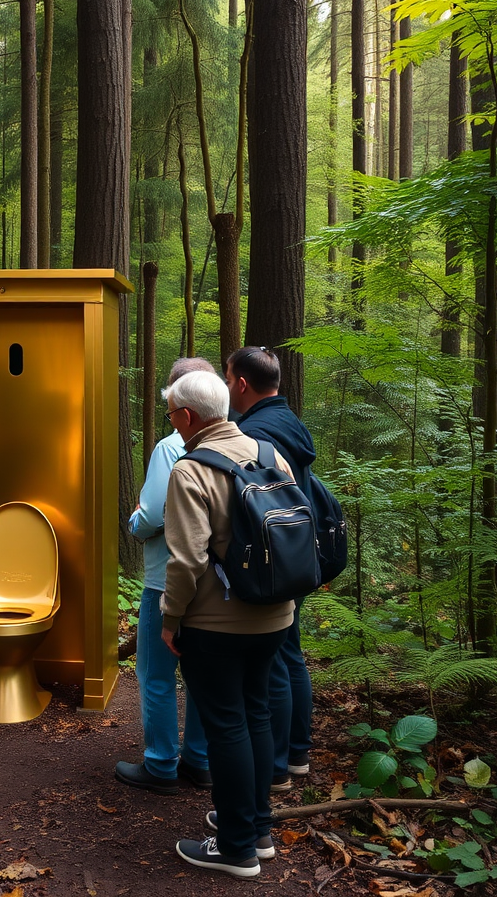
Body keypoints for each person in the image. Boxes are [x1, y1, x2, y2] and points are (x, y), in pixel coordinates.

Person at [160, 370, 294, 878]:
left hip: (217, 624)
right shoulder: (267, 453)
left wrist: (170, 620)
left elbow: (187, 562)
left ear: (188, 417)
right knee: (255, 714)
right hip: (275, 615)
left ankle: (236, 846)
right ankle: (255, 828)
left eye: (172, 412)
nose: (172, 421)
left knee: (226, 727)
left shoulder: (191, 470)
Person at [114, 357, 213, 796]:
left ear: (179, 403)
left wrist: (135, 523)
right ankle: (199, 759)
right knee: (200, 675)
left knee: (155, 674)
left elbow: (152, 514)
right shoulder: (236, 443)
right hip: (212, 582)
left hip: (163, 578)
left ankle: (159, 764)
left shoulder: (171, 447)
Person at [225, 346, 315, 792]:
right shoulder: (289, 420)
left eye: (227, 380)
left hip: (273, 556)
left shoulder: (258, 431)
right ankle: (297, 751)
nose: (226, 388)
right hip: (295, 551)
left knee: (276, 661)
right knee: (290, 653)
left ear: (241, 383)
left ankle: (276, 765)